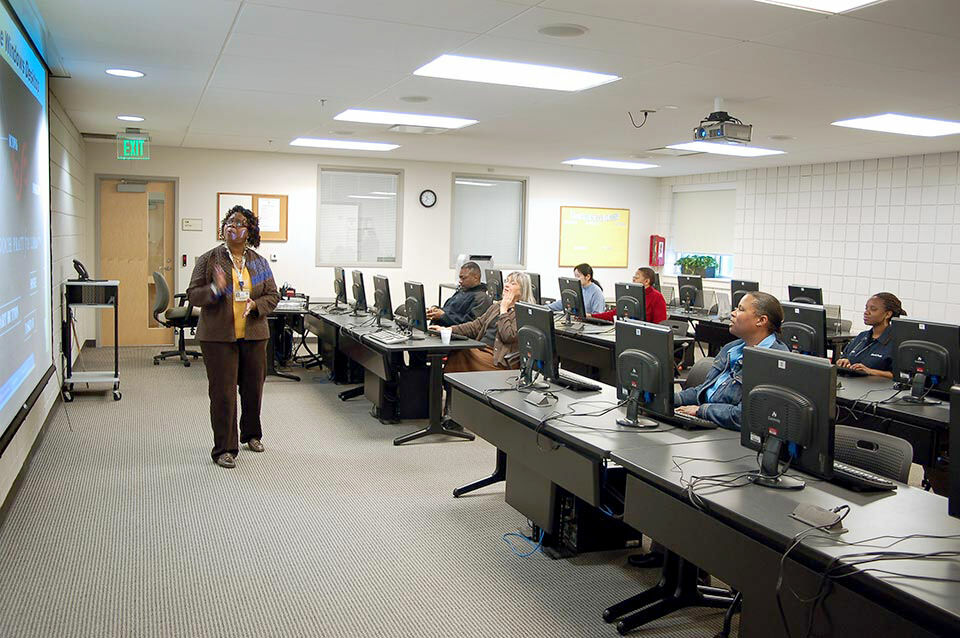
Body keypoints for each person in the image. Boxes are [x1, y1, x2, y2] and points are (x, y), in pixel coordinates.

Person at [187, 205, 279, 469]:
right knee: (223, 394)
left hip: (253, 334)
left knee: (253, 389)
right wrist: (215, 289)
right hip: (218, 337)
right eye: (228, 222)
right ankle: (225, 449)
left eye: (239, 223)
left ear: (249, 231)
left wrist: (254, 306)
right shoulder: (209, 260)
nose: (232, 227)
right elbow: (193, 295)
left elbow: (272, 295)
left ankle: (251, 434)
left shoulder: (258, 262)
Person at [674, 291, 789, 430]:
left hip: (730, 434)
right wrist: (673, 399)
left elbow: (746, 414)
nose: (733, 313)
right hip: (711, 421)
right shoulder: (732, 348)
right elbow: (708, 390)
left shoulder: (774, 361)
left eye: (740, 309)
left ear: (761, 320)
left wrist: (701, 411)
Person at [438, 272, 536, 372]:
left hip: (498, 359)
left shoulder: (523, 312)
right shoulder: (496, 306)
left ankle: (442, 384)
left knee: (460, 352)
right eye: (507, 281)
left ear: (523, 290)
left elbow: (508, 336)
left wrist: (504, 310)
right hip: (481, 349)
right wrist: (448, 329)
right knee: (456, 348)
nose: (506, 285)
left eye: (513, 283)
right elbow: (476, 326)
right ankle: (444, 384)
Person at [836, 292, 906, 379]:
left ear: (888, 314)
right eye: (866, 308)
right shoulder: (862, 336)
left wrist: (870, 371)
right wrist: (843, 361)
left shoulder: (896, 343)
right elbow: (845, 356)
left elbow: (902, 376)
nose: (866, 312)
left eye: (873, 309)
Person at [591, 267, 667, 323]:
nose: (633, 279)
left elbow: (660, 323)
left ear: (646, 281)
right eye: (634, 277)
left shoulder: (657, 297)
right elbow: (616, 313)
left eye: (636, 277)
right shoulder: (632, 295)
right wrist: (592, 316)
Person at [427, 261, 492, 326]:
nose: (460, 281)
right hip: (440, 328)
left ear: (476, 278)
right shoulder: (462, 291)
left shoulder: (481, 298)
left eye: (463, 278)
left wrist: (443, 316)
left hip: (452, 332)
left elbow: (471, 325)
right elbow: (449, 310)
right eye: (460, 277)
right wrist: (436, 310)